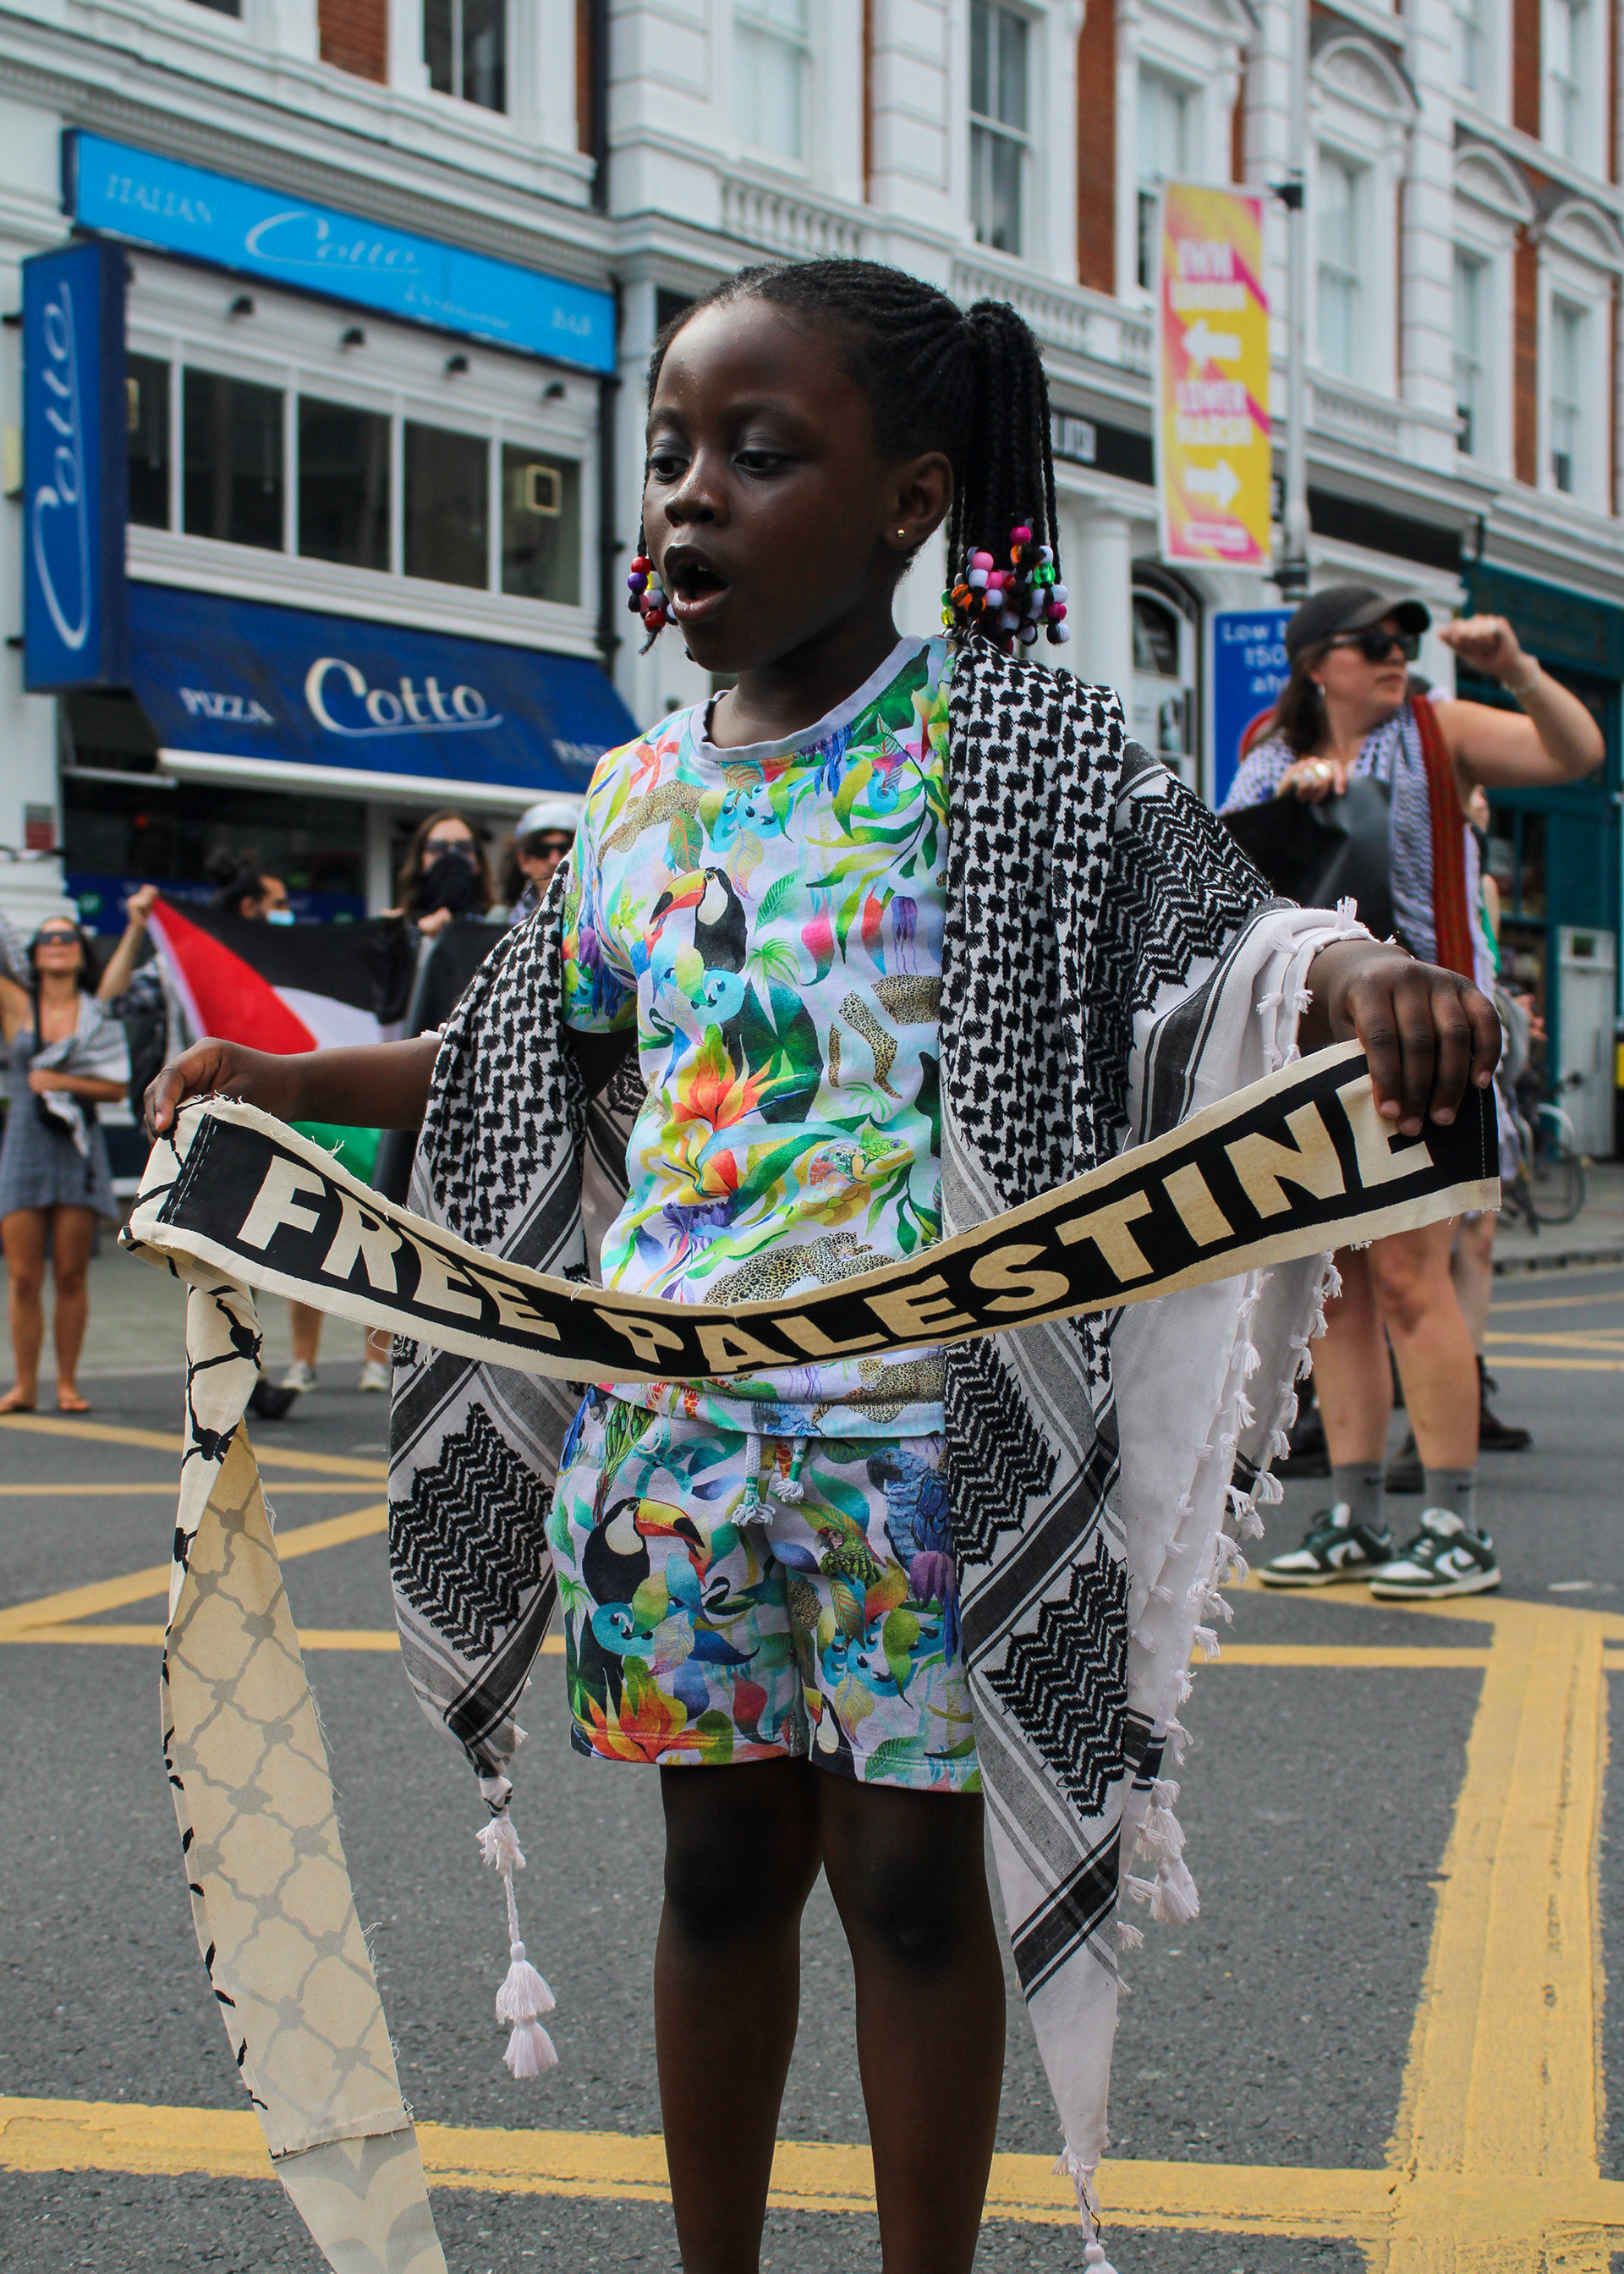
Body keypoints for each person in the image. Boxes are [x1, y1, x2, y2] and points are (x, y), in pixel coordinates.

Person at [145, 261, 1499, 2271]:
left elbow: (1219, 947)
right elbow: (522, 1049)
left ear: (909, 502)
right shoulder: (625, 799)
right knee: (713, 1876)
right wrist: (294, 1074)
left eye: (760, 457)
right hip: (673, 1451)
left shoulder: (1020, 743)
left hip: (930, 1455)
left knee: (915, 1890)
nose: (690, 497)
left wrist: (1364, 973)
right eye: (673, 451)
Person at [1223, 586, 1602, 1597]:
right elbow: (1229, 888)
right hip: (1308, 1051)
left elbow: (1576, 757)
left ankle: (1453, 1521)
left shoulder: (1439, 729)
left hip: (1429, 1041)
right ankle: (1353, 1513)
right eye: (1371, 643)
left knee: (1410, 1279)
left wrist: (1516, 667)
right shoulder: (1265, 752)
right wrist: (1289, 803)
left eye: (1403, 641)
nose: (1397, 656)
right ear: (1315, 662)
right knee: (1335, 1295)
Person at [0, 917, 129, 1413]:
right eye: (48, 939)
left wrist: (62, 1082)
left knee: (72, 1273)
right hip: (24, 1144)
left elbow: (117, 1087)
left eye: (68, 938)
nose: (58, 945)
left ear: (81, 952)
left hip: (78, 1146)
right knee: (23, 1277)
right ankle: (25, 1385)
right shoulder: (17, 1004)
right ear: (33, 956)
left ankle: (67, 1384)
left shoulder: (95, 1013)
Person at [392, 810, 494, 937]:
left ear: (478, 862)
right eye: (438, 848)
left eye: (464, 848)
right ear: (421, 861)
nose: (452, 855)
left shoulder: (496, 925)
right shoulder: (401, 929)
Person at [500, 799, 578, 928]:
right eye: (542, 850)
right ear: (523, 860)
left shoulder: (597, 923)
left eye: (565, 850)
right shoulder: (501, 920)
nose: (554, 861)